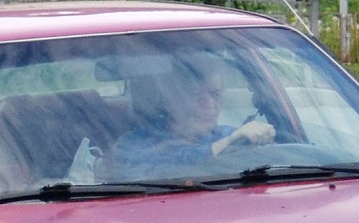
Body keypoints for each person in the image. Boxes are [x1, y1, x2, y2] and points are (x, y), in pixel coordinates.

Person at [110, 72, 275, 179]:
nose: (210, 104)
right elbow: (164, 175)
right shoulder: (133, 145)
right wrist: (226, 144)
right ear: (169, 102)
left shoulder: (230, 135)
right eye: (197, 95)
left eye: (215, 94)